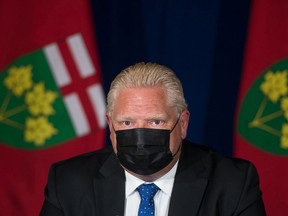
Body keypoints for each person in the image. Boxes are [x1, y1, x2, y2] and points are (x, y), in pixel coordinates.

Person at [39, 62, 266, 216]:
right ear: (110, 125)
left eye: (155, 122)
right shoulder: (68, 182)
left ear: (183, 123)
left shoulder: (232, 184)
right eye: (127, 123)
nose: (140, 137)